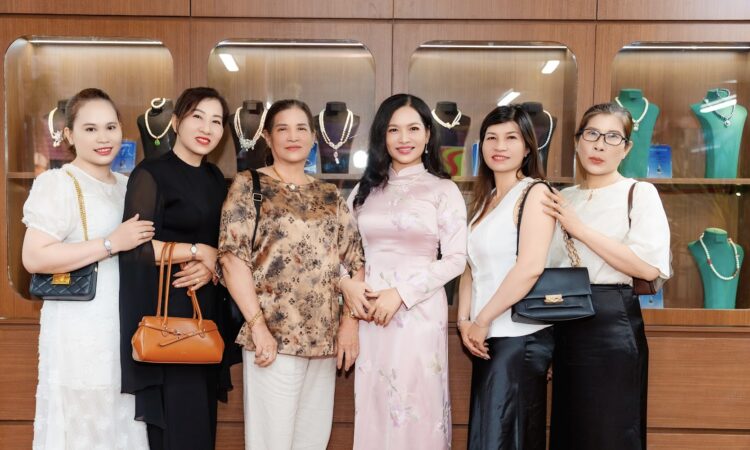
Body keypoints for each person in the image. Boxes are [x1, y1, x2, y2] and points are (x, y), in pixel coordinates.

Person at [218, 99, 364, 450]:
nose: (293, 136)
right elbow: (232, 259)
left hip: (323, 341)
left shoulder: (329, 194)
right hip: (272, 337)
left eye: (301, 129)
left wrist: (349, 324)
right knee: (271, 441)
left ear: (313, 137)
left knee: (312, 440)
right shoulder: (249, 184)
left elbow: (356, 261)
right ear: (268, 137)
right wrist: (258, 327)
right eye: (283, 129)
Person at [22, 88, 154, 449]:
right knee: (84, 428)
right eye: (90, 129)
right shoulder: (58, 183)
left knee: (121, 426)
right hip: (79, 332)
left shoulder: (127, 186)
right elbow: (34, 257)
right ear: (69, 135)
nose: (103, 138)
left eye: (110, 127)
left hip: (124, 330)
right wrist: (110, 243)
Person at [343, 93, 467, 450]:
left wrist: (401, 293)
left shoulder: (443, 190)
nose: (403, 138)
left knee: (417, 404)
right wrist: (349, 293)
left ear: (428, 134)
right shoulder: (363, 191)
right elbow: (343, 253)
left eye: (413, 128)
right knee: (374, 406)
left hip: (419, 312)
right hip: (369, 313)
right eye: (393, 129)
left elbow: (456, 258)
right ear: (382, 136)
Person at [543, 103, 671, 450]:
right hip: (564, 320)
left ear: (626, 148)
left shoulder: (639, 193)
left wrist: (579, 229)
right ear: (577, 141)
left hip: (611, 324)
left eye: (613, 137)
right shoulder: (563, 198)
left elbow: (647, 268)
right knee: (569, 431)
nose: (599, 145)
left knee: (611, 431)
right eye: (592, 134)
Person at [119, 87, 231, 450]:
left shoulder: (215, 177)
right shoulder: (151, 174)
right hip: (168, 315)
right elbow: (136, 247)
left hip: (204, 311)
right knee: (179, 425)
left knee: (200, 424)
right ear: (177, 121)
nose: (207, 128)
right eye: (197, 117)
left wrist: (211, 266)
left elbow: (224, 245)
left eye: (216, 121)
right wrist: (198, 252)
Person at [456, 105, 555, 450]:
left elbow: (530, 267)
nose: (500, 146)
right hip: (487, 338)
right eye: (491, 138)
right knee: (490, 437)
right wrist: (464, 321)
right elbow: (470, 266)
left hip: (519, 337)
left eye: (511, 138)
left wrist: (482, 320)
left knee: (504, 439)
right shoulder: (486, 199)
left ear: (527, 147)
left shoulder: (535, 192)